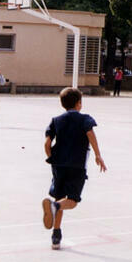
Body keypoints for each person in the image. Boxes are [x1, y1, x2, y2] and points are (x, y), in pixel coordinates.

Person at [41, 87, 107, 249]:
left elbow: (47, 143)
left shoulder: (56, 120)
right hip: (76, 165)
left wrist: (51, 157)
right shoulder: (85, 119)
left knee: (60, 197)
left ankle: (56, 236)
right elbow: (91, 135)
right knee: (71, 201)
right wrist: (98, 155)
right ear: (79, 104)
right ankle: (54, 207)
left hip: (58, 165)